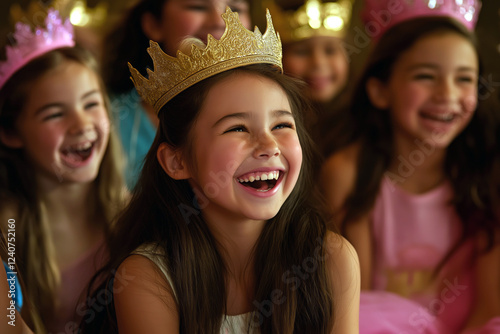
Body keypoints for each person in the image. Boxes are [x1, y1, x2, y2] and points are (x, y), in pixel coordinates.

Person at [79, 8, 360, 333]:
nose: (268, 146)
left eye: (282, 124)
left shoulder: (332, 261)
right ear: (177, 161)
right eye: (237, 128)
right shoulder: (148, 278)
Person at [319, 0, 500, 333]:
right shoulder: (348, 173)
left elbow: (491, 306)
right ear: (380, 90)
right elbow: (359, 301)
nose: (447, 94)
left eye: (464, 79)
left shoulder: (489, 174)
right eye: (425, 76)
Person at [0, 10, 125, 333]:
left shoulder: (130, 213)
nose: (81, 124)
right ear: (11, 133)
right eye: (55, 114)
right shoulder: (7, 230)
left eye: (91, 104)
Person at [101, 0, 252, 189]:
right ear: (154, 24)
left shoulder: (272, 109)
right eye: (197, 6)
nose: (220, 21)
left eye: (236, 9)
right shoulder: (109, 118)